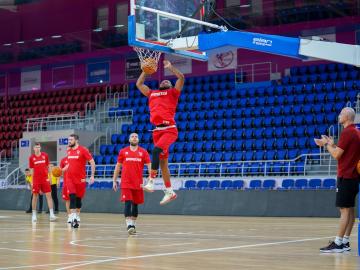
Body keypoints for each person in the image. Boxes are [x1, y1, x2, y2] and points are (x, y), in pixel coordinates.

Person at [136, 60, 184, 205]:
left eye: (167, 81)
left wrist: (171, 68)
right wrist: (145, 70)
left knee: (156, 151)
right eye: (162, 80)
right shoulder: (152, 93)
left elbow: (181, 77)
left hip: (169, 129)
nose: (164, 81)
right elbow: (139, 84)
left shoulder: (173, 93)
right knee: (163, 163)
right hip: (157, 131)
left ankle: (151, 181)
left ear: (169, 85)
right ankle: (170, 191)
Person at [315, 107, 360, 253]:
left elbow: (336, 155)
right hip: (352, 176)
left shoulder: (347, 132)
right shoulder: (355, 132)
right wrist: (332, 143)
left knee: (344, 210)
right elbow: (342, 152)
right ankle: (345, 242)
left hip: (346, 176)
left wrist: (326, 144)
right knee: (350, 210)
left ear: (347, 116)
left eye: (341, 114)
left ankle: (338, 243)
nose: (339, 116)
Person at [112, 133, 151, 235]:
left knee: (135, 205)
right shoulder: (123, 152)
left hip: (138, 183)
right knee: (128, 202)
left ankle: (133, 225)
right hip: (126, 182)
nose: (134, 138)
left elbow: (149, 165)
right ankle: (129, 225)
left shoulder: (143, 152)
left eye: (136, 137)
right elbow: (118, 166)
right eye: (132, 137)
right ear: (129, 140)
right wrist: (114, 180)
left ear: (138, 140)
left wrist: (151, 178)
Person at [63, 134, 95, 228]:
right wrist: (63, 169)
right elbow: (69, 164)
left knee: (78, 199)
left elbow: (92, 162)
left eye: (71, 140)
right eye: (68, 139)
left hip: (80, 179)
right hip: (70, 178)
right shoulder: (68, 150)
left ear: (76, 140)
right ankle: (73, 219)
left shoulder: (83, 150)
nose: (69, 141)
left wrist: (92, 176)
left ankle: (77, 215)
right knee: (72, 196)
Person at [28, 143, 57, 222]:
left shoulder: (45, 155)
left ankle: (51, 214)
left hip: (45, 179)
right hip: (36, 179)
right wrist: (32, 181)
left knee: (49, 195)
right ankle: (34, 215)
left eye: (38, 147)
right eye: (36, 147)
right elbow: (31, 170)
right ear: (33, 148)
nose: (37, 149)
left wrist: (50, 177)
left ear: (40, 148)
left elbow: (48, 167)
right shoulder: (31, 158)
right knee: (35, 196)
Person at [59, 156, 74, 224]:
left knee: (74, 200)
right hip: (66, 183)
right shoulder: (63, 160)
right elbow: (60, 172)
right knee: (67, 200)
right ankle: (69, 216)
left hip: (74, 183)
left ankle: (75, 216)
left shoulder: (75, 159)